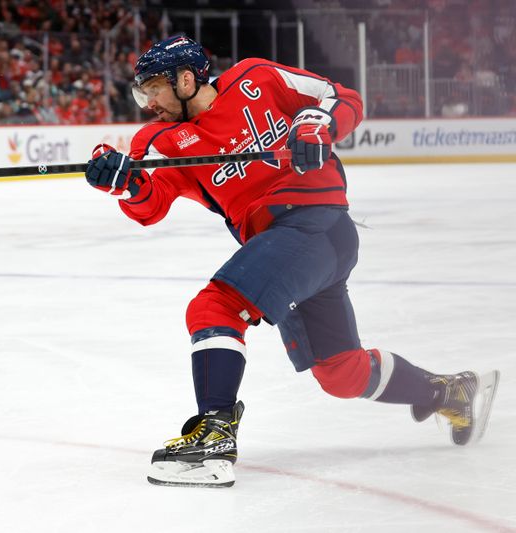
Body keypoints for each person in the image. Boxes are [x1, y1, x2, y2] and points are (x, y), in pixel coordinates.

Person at [84, 35, 500, 488]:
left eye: (154, 89)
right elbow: (150, 205)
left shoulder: (256, 78)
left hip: (317, 227)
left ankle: (214, 437)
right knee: (341, 373)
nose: (148, 103)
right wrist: (122, 181)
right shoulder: (160, 141)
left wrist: (317, 124)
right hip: (290, 249)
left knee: (214, 308)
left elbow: (343, 98)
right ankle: (450, 392)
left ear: (187, 79)